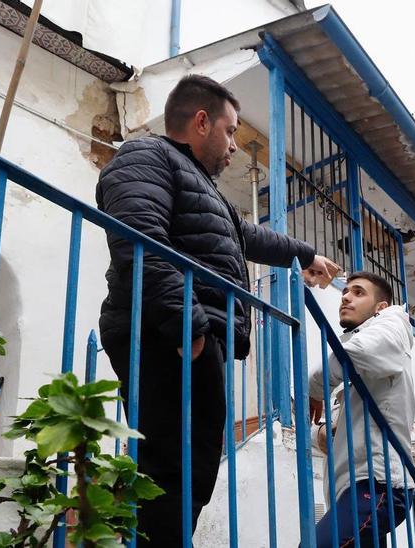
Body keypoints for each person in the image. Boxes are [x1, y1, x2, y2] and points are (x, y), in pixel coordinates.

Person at [96, 74, 341, 546]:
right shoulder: (146, 156)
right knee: (170, 466)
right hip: (166, 332)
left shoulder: (205, 189)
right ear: (202, 121)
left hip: (188, 336)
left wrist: (306, 254)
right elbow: (139, 239)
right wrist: (191, 330)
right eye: (230, 131)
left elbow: (249, 237)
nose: (234, 146)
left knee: (193, 468)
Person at [308, 272, 415, 548]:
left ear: (381, 306)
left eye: (358, 292)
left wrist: (315, 389)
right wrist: (323, 432)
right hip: (353, 489)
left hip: (378, 485)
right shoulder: (362, 350)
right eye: (345, 292)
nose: (345, 297)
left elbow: (359, 353)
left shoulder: (393, 323)